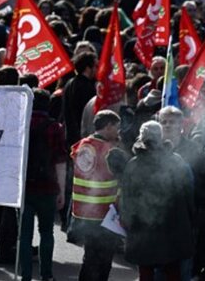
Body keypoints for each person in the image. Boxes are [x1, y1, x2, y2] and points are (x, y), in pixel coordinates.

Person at [120, 121, 195, 281]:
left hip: (142, 228)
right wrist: (190, 219)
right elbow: (188, 192)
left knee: (145, 271)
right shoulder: (176, 161)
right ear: (161, 137)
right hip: (173, 227)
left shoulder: (133, 165)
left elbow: (126, 198)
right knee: (172, 271)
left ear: (142, 137)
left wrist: (127, 221)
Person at [71, 110, 127, 281]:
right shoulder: (109, 150)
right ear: (108, 126)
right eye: (117, 127)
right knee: (102, 261)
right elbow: (123, 173)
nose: (119, 131)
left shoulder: (82, 145)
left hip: (82, 211)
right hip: (104, 213)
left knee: (89, 258)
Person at [19, 90, 68, 281]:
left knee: (24, 235)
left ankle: (25, 275)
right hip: (48, 187)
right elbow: (61, 161)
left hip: (24, 188)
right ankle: (46, 274)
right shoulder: (55, 127)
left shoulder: (21, 125)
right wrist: (62, 190)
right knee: (47, 232)